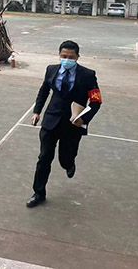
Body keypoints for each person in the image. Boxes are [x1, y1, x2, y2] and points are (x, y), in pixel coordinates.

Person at [26, 40, 102, 208]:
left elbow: (96, 101)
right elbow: (44, 91)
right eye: (64, 56)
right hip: (51, 120)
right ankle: (39, 193)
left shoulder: (88, 75)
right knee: (44, 158)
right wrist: (37, 112)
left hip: (73, 124)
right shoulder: (51, 70)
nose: (67, 60)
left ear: (77, 57)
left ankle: (69, 163)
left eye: (71, 57)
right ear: (59, 55)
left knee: (65, 158)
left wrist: (84, 119)